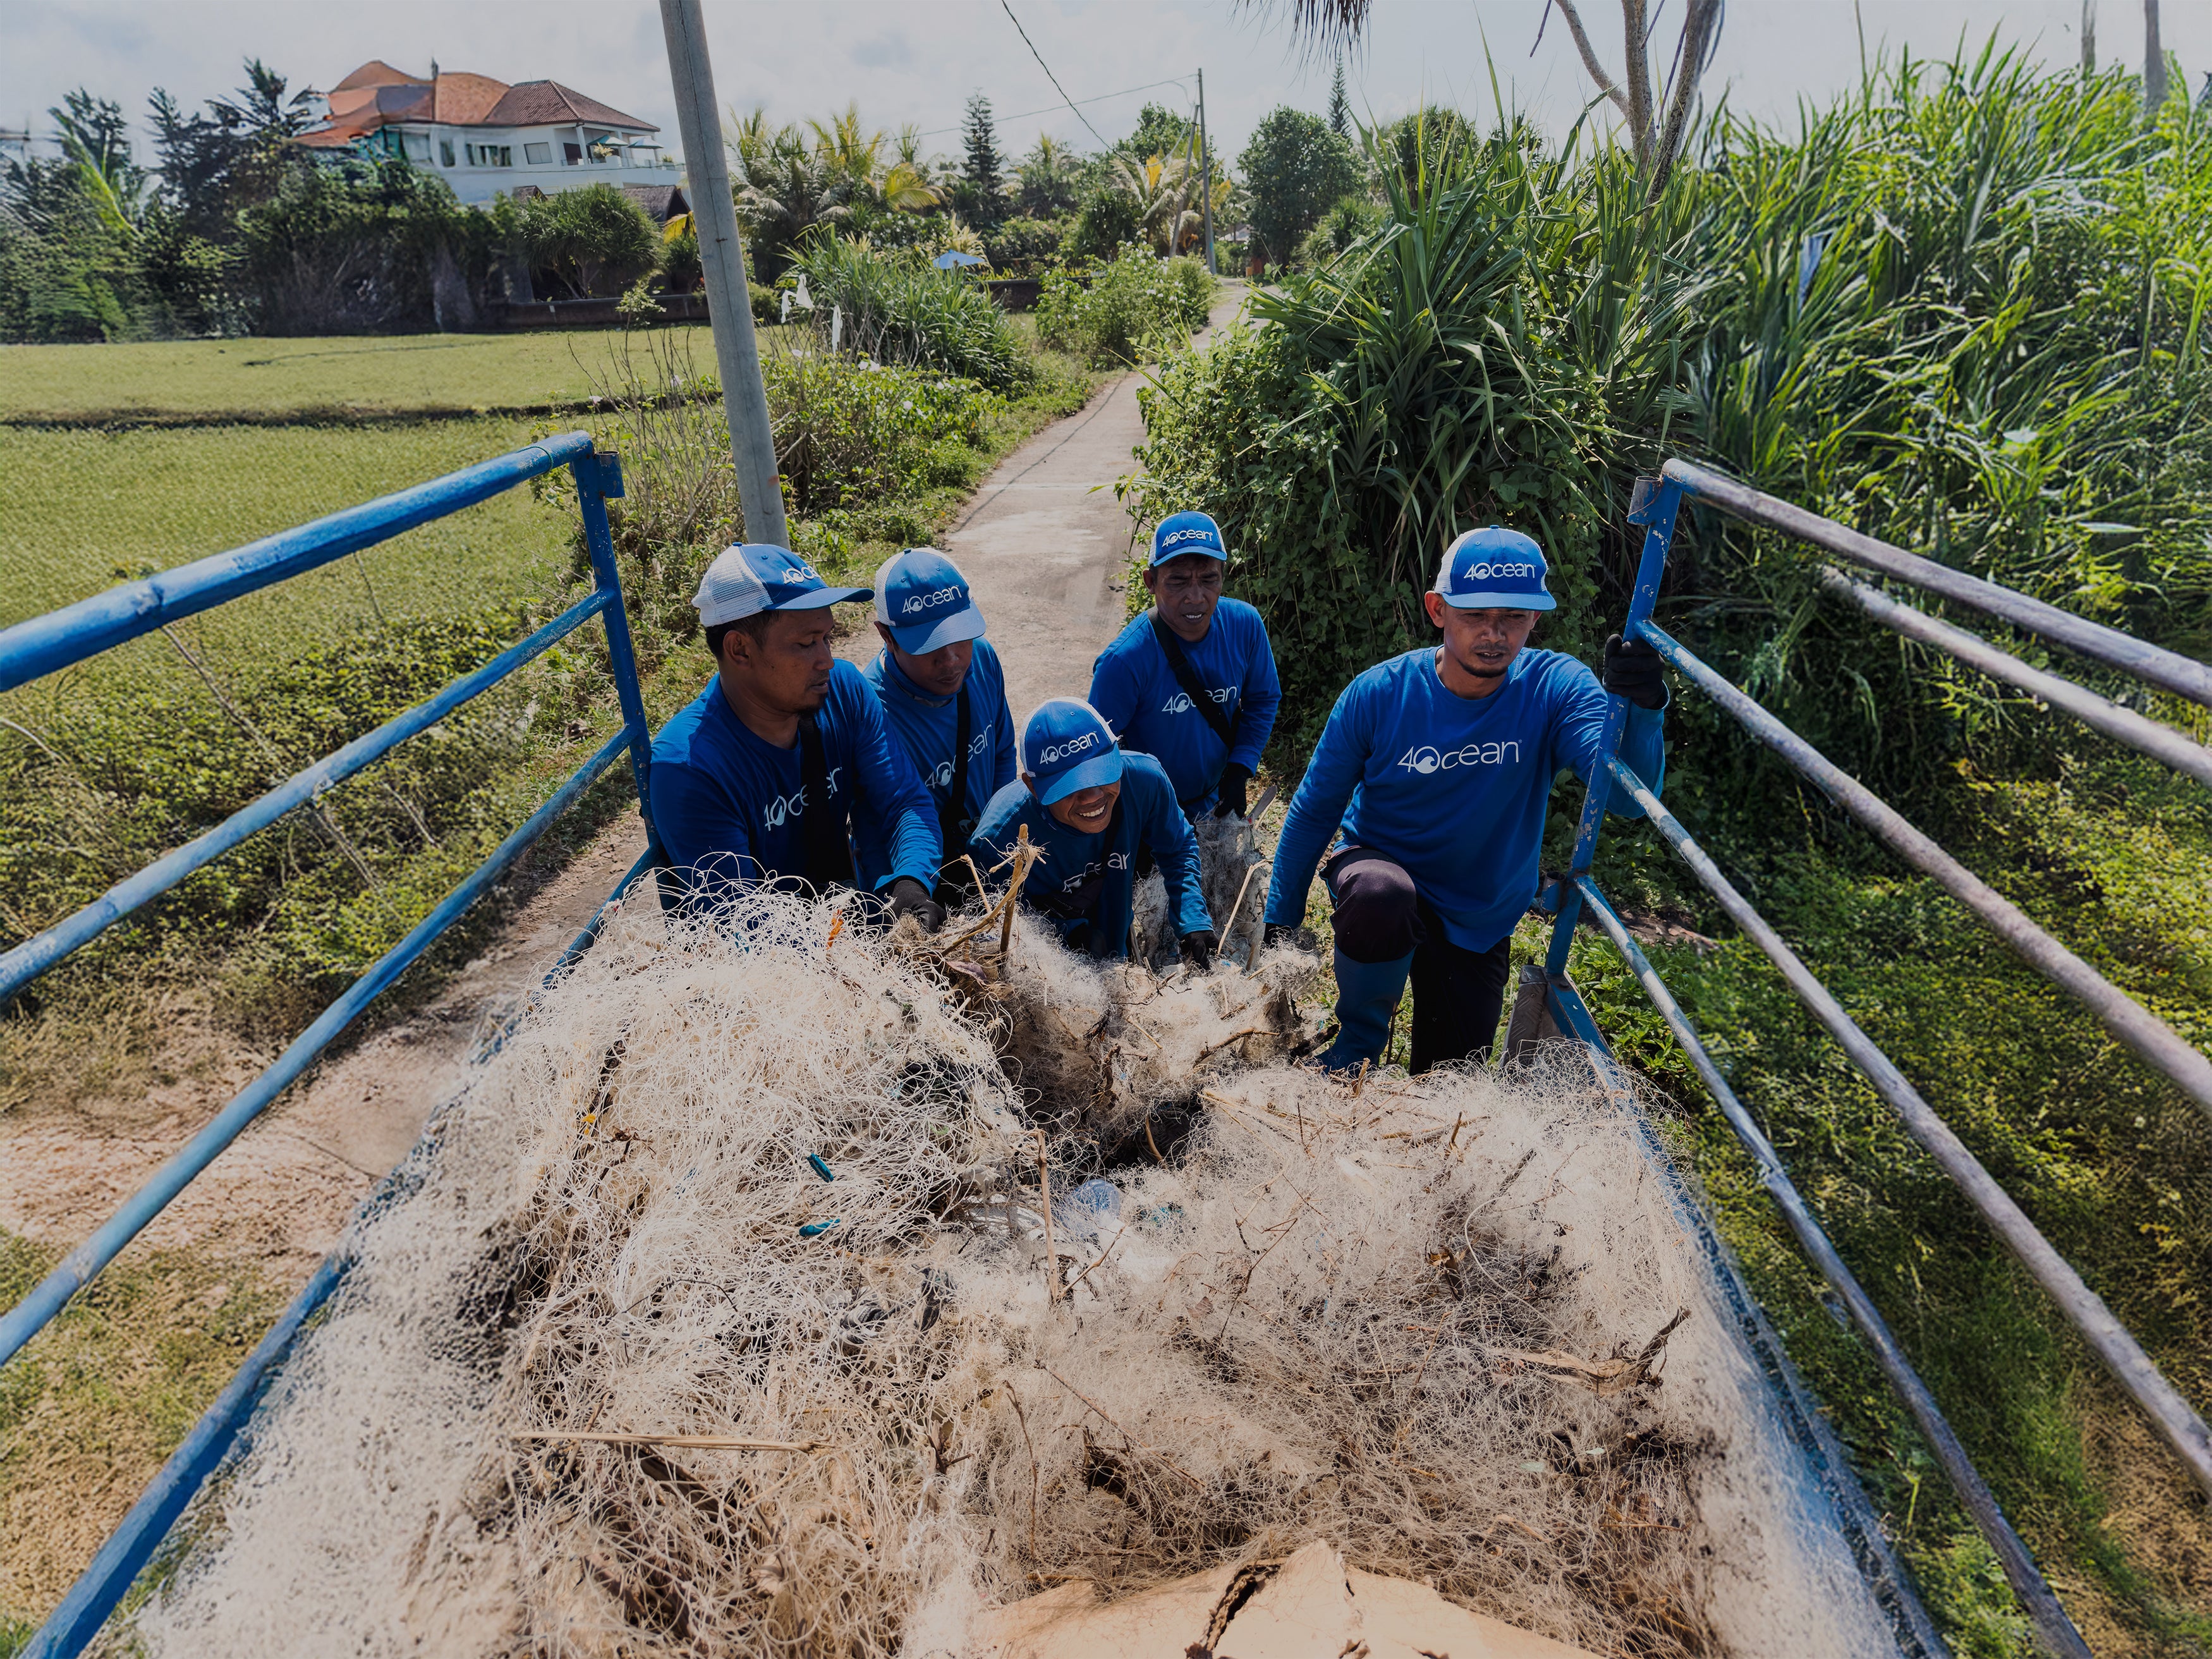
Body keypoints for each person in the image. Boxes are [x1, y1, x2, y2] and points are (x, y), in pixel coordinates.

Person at [1260, 527, 1669, 1074]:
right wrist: (1280, 922)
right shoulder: (1380, 694)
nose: (1494, 634)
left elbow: (1623, 798)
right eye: (1475, 615)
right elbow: (1314, 810)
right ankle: (1355, 1050)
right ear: (1437, 609)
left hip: (1479, 907)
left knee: (1451, 1078)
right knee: (1383, 894)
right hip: (1382, 869)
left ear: (1536, 619)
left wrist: (1644, 708)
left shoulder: (1555, 688)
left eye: (1513, 617)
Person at [650, 542, 945, 930]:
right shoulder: (690, 767)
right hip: (769, 970)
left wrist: (910, 884)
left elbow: (903, 802)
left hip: (841, 918)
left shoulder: (844, 690)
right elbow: (740, 925)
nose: (826, 659)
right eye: (806, 644)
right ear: (739, 649)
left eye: (827, 638)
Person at [969, 698, 1217, 964]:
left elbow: (1177, 847)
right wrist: (1070, 933)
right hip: (1044, 974)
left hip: (1115, 938)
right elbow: (998, 929)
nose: (1093, 798)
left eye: (1101, 774)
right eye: (1070, 786)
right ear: (1032, 786)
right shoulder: (1000, 840)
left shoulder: (1145, 780)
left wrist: (1193, 917)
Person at [1088, 511, 1280, 820]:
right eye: (1177, 581)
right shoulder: (1123, 661)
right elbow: (1095, 755)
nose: (1195, 597)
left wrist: (1241, 767)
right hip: (1149, 815)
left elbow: (1263, 699)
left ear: (1222, 577)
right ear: (1151, 581)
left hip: (1214, 802)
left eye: (1208, 579)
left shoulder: (1245, 626)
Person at [856, 548, 1016, 900]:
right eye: (928, 644)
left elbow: (1003, 752)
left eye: (959, 636)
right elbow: (876, 824)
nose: (951, 660)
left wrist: (997, 840)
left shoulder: (983, 660)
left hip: (984, 864)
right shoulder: (869, 710)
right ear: (887, 635)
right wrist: (910, 891)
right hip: (913, 881)